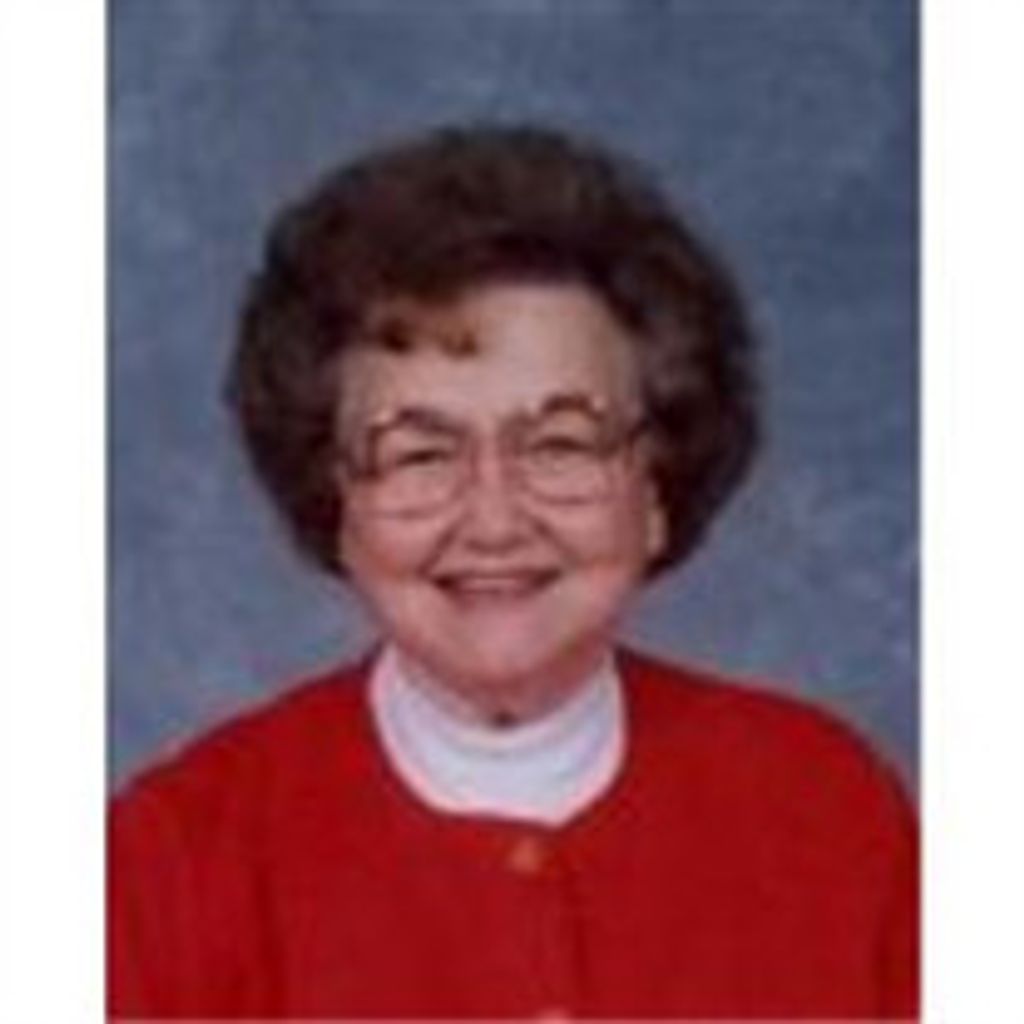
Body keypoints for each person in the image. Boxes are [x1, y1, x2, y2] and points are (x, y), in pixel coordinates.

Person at [109, 123, 918, 1020]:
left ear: (655, 487)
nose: (494, 521)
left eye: (561, 444)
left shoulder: (829, 806)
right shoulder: (173, 860)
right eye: (420, 454)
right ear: (335, 499)